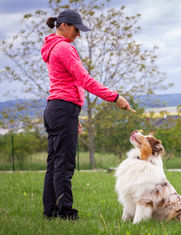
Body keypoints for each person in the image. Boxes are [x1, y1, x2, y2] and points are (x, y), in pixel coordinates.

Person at [41, 9, 132, 220]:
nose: (78, 34)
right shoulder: (64, 48)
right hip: (62, 108)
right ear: (63, 26)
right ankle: (65, 213)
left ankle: (51, 211)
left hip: (57, 108)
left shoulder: (52, 47)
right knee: (64, 164)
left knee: (54, 162)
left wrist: (74, 115)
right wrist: (114, 97)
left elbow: (67, 83)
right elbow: (85, 80)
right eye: (76, 29)